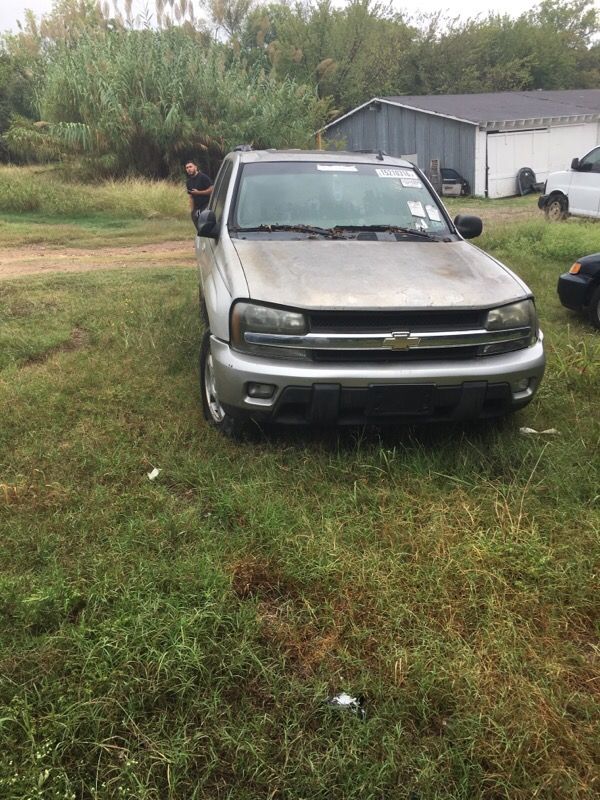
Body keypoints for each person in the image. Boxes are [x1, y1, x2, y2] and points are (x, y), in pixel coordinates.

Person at [185, 161, 213, 229]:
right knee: (199, 228)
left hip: (206, 205)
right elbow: (191, 197)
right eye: (187, 168)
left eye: (190, 167)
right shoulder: (188, 182)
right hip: (197, 208)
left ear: (195, 167)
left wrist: (199, 192)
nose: (189, 169)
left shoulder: (203, 177)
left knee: (205, 226)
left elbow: (212, 190)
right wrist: (192, 211)